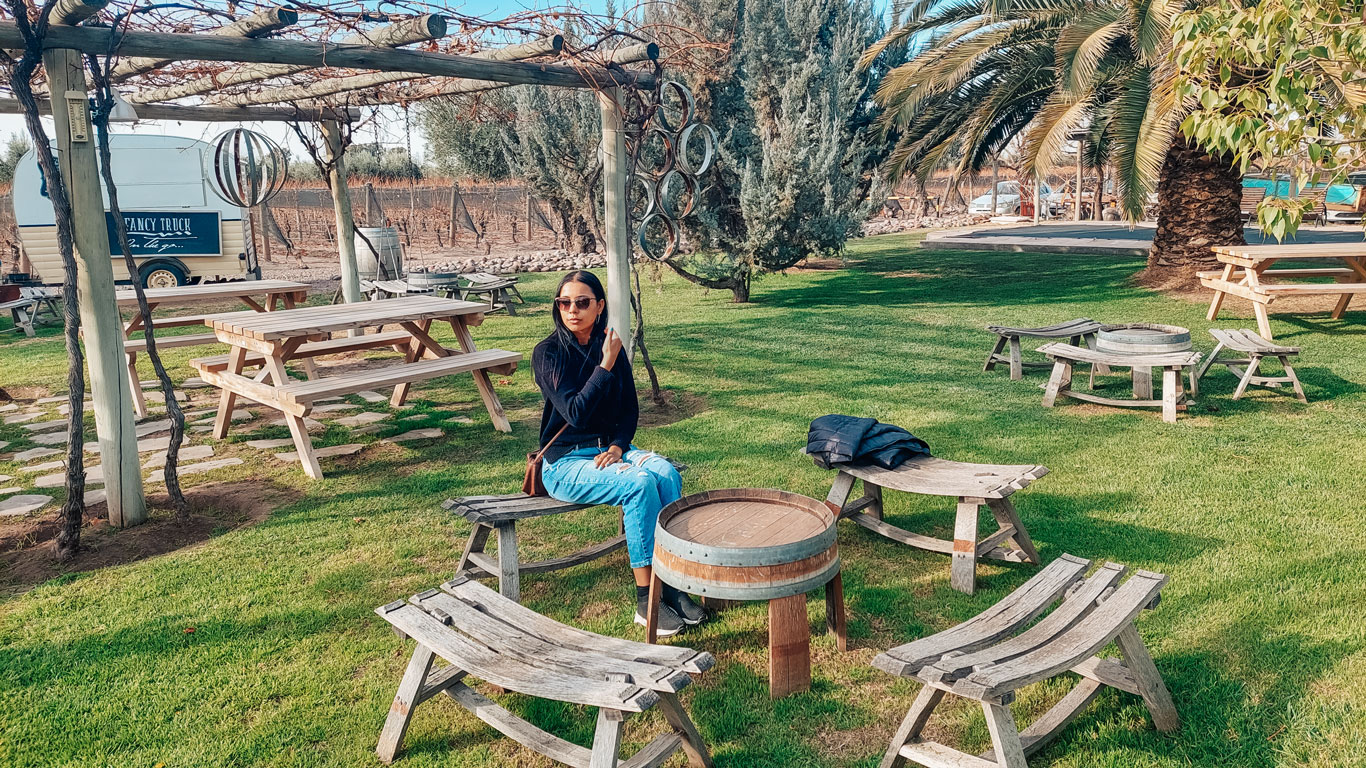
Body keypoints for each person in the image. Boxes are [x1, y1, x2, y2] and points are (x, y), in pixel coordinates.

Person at [532, 271, 706, 637]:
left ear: (600, 306)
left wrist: (617, 446)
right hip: (564, 463)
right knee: (639, 484)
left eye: (582, 302)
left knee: (665, 473)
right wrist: (605, 365)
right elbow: (575, 411)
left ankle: (672, 584)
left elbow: (629, 410)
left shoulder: (610, 345)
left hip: (610, 450)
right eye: (565, 302)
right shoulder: (548, 354)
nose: (572, 310)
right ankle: (647, 599)